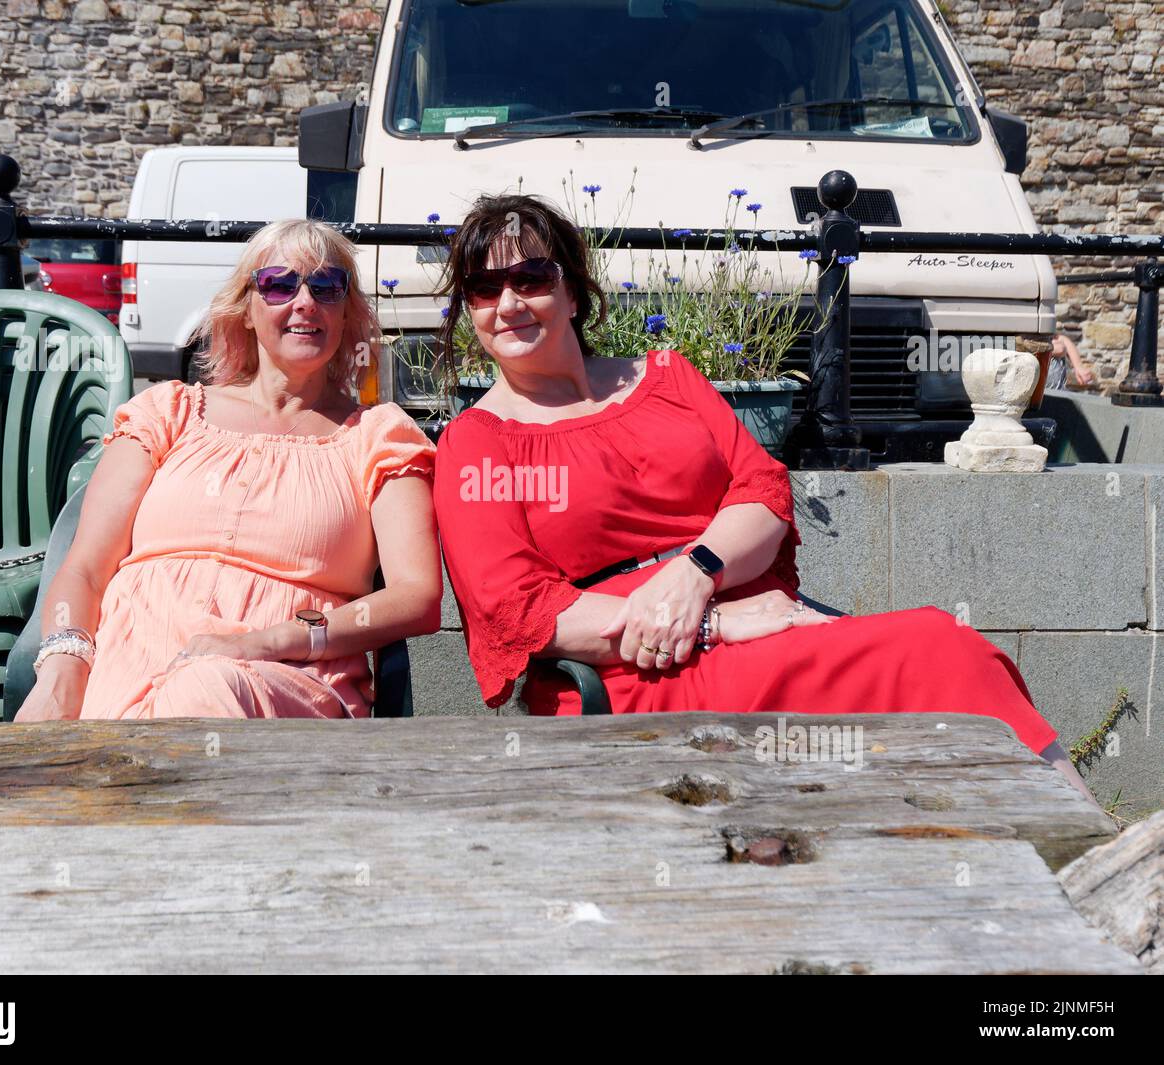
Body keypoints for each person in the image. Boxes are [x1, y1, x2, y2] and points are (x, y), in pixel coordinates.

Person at [431, 194, 1094, 800]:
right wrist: (713, 624)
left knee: (946, 647)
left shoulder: (666, 377)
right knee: (931, 650)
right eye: (484, 289)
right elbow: (522, 613)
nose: (509, 303)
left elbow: (761, 490)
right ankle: (1071, 840)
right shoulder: (478, 444)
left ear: (573, 292)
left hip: (749, 620)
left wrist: (696, 576)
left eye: (530, 278)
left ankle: (1072, 836)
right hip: (633, 672)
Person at [16, 219, 442, 721]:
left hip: (285, 674)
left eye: (326, 287)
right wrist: (64, 666)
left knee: (203, 690)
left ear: (347, 314)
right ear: (245, 308)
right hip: (124, 658)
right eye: (280, 284)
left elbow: (418, 597)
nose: (304, 301)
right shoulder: (168, 412)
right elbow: (85, 568)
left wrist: (281, 638)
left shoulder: (377, 435)